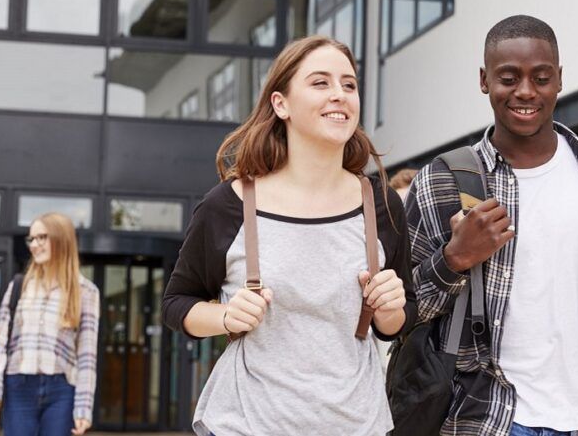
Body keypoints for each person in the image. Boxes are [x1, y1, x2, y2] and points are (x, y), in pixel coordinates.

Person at [405, 15, 578, 436]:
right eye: (508, 78)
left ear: (559, 80)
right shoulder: (442, 181)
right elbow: (401, 316)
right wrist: (454, 259)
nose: (525, 91)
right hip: (484, 420)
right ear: (484, 80)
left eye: (540, 78)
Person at [161, 35, 417, 435]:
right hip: (246, 422)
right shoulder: (227, 206)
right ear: (281, 104)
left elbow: (396, 323)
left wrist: (389, 308)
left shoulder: (381, 205)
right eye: (320, 83)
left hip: (355, 423)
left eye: (348, 85)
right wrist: (226, 316)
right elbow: (177, 304)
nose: (339, 95)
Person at [0, 213, 100, 436]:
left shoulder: (86, 292)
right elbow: (0, 344)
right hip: (18, 386)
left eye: (41, 237)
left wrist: (84, 408)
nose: (34, 245)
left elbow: (87, 355)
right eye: (31, 239)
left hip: (62, 390)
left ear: (61, 239)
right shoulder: (19, 286)